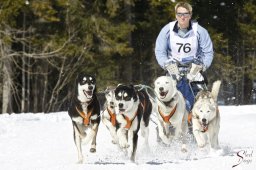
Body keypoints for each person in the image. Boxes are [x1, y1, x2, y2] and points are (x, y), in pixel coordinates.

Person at [155, 2, 214, 114]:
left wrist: (202, 66)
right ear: (176, 15)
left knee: (199, 97)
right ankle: (169, 121)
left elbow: (208, 52)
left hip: (194, 69)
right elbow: (160, 51)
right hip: (174, 68)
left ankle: (196, 120)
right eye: (180, 14)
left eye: (186, 14)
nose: (182, 17)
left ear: (190, 15)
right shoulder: (167, 30)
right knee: (168, 95)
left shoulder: (200, 31)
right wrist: (166, 64)